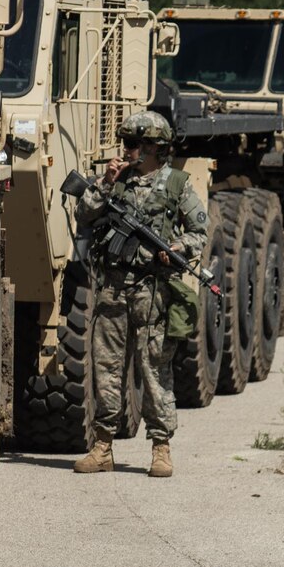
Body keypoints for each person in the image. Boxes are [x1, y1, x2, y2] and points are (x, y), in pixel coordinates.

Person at [71, 111, 209, 478]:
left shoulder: (177, 185)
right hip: (113, 288)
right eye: (126, 143)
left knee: (155, 368)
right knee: (106, 367)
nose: (127, 150)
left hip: (152, 289)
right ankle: (102, 446)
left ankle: (160, 447)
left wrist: (176, 245)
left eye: (133, 144)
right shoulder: (115, 182)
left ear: (155, 149)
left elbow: (199, 233)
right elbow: (84, 216)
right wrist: (105, 182)